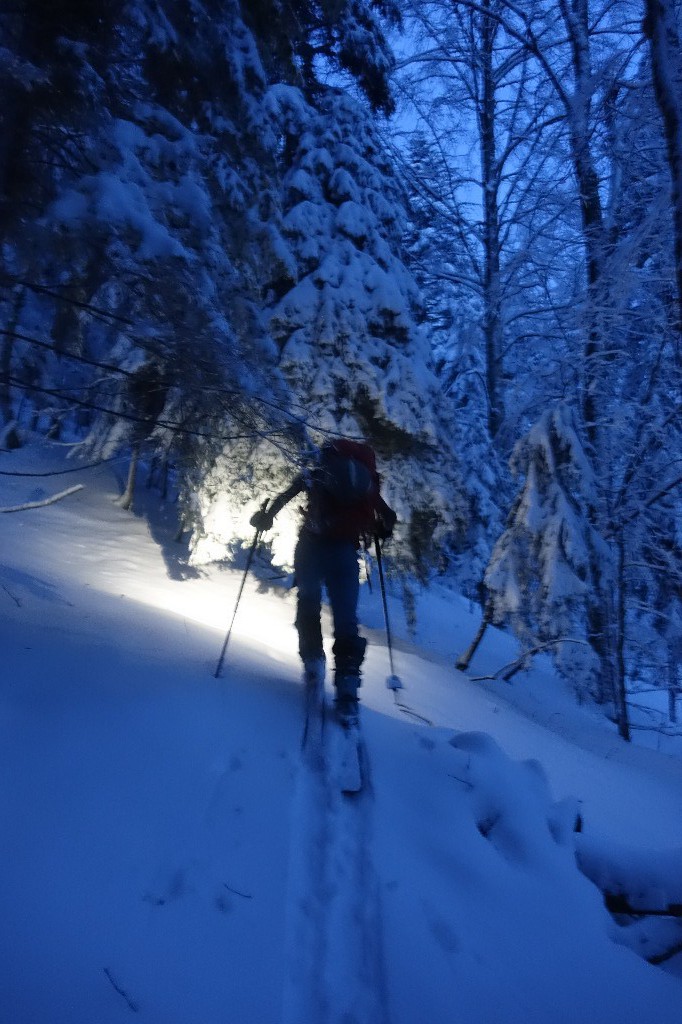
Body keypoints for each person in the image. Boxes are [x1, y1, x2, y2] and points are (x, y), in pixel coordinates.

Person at [250, 439, 396, 717]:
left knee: (308, 601)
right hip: (345, 552)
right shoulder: (367, 483)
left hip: (311, 548)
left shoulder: (318, 471)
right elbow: (389, 516)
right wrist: (381, 528)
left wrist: (266, 517)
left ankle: (313, 661)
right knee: (346, 621)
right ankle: (347, 692)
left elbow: (287, 494)